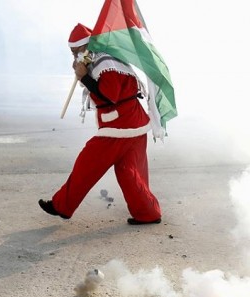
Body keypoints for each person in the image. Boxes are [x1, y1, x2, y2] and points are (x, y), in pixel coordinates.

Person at [39, 23, 162, 225]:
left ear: (86, 47)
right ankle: (147, 213)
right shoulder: (105, 59)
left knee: (86, 165)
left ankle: (62, 206)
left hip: (118, 127)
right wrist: (84, 72)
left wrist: (84, 77)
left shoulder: (105, 64)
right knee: (128, 172)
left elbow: (109, 96)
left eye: (75, 52)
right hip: (133, 123)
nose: (74, 57)